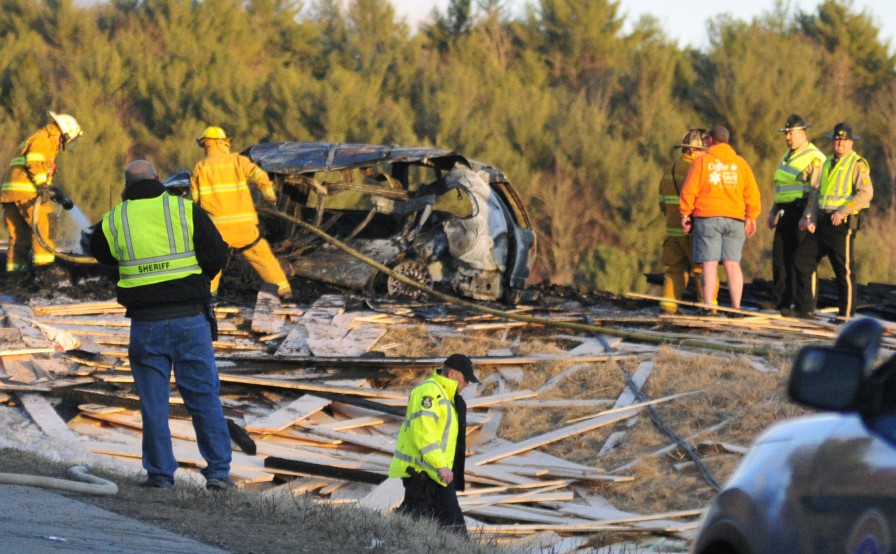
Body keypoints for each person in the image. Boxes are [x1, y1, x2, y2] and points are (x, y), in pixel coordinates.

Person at [89, 160, 236, 491]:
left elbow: (101, 254)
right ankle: (218, 474)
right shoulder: (185, 209)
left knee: (153, 404)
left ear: (125, 186)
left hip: (145, 325)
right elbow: (216, 254)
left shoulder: (113, 220)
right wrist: (197, 283)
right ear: (158, 179)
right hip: (190, 320)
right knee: (204, 398)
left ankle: (160, 475)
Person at [190, 126, 291, 299]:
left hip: (217, 229)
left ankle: (209, 296)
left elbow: (195, 200)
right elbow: (261, 178)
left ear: (207, 146)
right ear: (223, 143)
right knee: (261, 255)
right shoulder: (239, 162)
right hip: (244, 227)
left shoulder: (200, 168)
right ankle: (283, 289)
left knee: (212, 261)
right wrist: (270, 199)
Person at [388, 353, 478, 535]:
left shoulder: (451, 398)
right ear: (452, 374)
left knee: (417, 524)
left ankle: (384, 538)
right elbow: (424, 434)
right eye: (466, 378)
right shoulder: (428, 393)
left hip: (436, 473)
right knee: (455, 530)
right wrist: (441, 466)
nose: (468, 383)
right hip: (426, 472)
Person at [793, 122, 873, 319]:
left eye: (844, 140)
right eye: (837, 139)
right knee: (802, 259)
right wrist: (808, 216)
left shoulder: (857, 164)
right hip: (821, 221)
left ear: (851, 142)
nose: (840, 143)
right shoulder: (827, 162)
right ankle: (806, 309)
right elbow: (816, 193)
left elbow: (866, 193)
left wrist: (843, 212)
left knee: (843, 271)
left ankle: (845, 315)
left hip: (841, 225)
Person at [680, 126, 761, 311]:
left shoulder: (702, 162)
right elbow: (752, 193)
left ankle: (708, 307)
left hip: (708, 217)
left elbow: (689, 190)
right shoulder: (740, 164)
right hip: (735, 219)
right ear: (727, 141)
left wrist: (685, 214)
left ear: (710, 141)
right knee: (733, 264)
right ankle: (736, 308)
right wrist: (751, 216)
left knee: (709, 264)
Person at [2, 111, 82, 274]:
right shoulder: (44, 140)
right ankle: (44, 272)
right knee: (46, 225)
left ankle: (16, 274)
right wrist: (43, 186)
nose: (67, 144)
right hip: (27, 194)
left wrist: (53, 191)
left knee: (19, 237)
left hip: (12, 195)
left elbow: (37, 170)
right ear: (64, 133)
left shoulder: (40, 139)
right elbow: (35, 164)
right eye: (69, 139)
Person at [767, 115, 825, 312]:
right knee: (780, 257)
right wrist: (773, 211)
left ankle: (805, 305)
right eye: (786, 134)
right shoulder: (787, 155)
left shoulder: (814, 157)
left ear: (802, 133)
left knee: (802, 261)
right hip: (786, 211)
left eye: (790, 134)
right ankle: (781, 302)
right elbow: (782, 187)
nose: (787, 138)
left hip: (803, 212)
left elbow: (815, 190)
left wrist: (808, 214)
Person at [658, 128, 718, 314]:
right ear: (692, 150)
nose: (706, 153)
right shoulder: (697, 168)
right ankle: (709, 308)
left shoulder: (669, 169)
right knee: (702, 270)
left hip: (673, 231)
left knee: (674, 270)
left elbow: (662, 202)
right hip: (694, 230)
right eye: (703, 150)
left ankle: (668, 308)